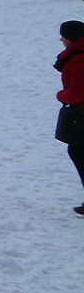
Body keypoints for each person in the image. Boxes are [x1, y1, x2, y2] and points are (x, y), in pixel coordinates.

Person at [59, 21, 84, 214]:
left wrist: (60, 96)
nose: (61, 40)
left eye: (64, 36)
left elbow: (76, 94)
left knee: (78, 152)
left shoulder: (78, 60)